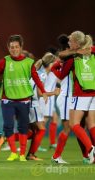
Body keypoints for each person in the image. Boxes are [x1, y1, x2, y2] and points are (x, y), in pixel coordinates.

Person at [0, 35, 47, 162]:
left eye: (16, 47)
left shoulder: (28, 62)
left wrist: (44, 91)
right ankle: (14, 152)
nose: (14, 49)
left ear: (21, 48)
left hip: (24, 100)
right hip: (7, 99)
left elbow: (36, 78)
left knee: (23, 127)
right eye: (11, 47)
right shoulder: (4, 61)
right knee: (8, 126)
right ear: (8, 48)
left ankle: (22, 155)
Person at [50, 31, 95, 164]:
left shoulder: (72, 58)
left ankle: (89, 150)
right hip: (92, 93)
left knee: (72, 125)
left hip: (74, 95)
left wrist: (54, 67)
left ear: (76, 42)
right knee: (90, 125)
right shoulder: (91, 55)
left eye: (70, 41)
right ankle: (87, 155)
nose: (69, 43)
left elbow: (61, 75)